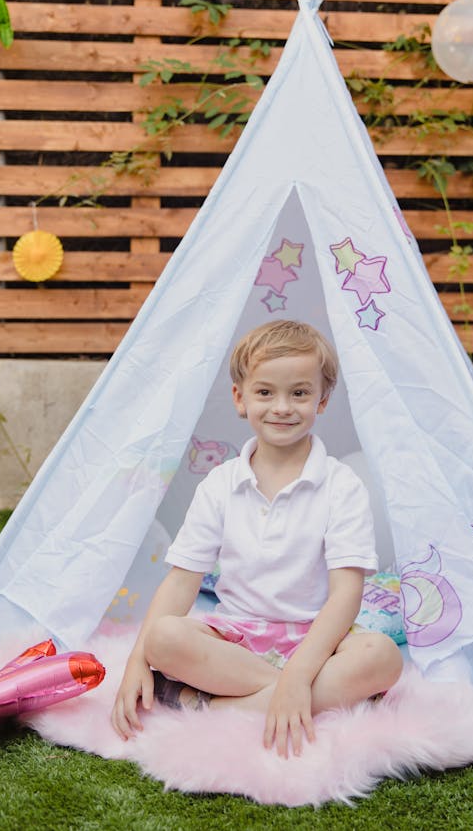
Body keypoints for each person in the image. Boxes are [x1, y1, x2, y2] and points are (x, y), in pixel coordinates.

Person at [111, 319, 403, 757]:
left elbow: (346, 594)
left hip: (315, 638)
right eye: (265, 392)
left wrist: (301, 670)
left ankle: (213, 708)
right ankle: (288, 697)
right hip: (236, 638)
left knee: (382, 657)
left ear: (321, 401)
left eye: (299, 393)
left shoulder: (342, 486)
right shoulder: (219, 483)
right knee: (164, 638)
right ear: (240, 398)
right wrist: (137, 662)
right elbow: (181, 581)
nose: (282, 407)